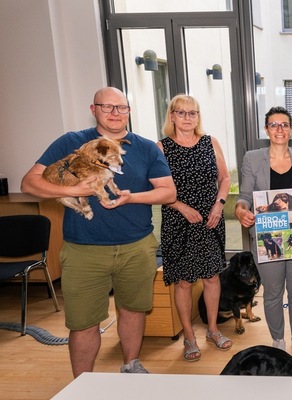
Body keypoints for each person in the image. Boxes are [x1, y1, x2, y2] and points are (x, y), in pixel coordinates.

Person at [20, 87, 176, 377]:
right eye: (107, 107)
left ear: (129, 112)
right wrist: (71, 189)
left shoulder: (145, 147)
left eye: (122, 108)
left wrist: (132, 197)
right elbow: (29, 183)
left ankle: (131, 364)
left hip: (136, 246)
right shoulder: (71, 142)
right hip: (84, 250)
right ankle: (83, 384)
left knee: (133, 310)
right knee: (83, 323)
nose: (115, 113)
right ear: (93, 110)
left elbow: (168, 193)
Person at [236, 106, 292, 361]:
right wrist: (241, 210)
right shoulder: (252, 158)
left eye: (284, 124)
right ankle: (278, 341)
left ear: (291, 129)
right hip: (266, 236)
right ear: (266, 129)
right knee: (272, 293)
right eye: (274, 125)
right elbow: (243, 197)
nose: (279, 129)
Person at [156, 94, 232, 362]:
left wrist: (219, 205)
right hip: (179, 222)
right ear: (172, 116)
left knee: (212, 277)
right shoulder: (161, 147)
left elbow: (224, 178)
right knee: (185, 282)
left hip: (211, 220)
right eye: (182, 112)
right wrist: (181, 206)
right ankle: (189, 337)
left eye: (193, 113)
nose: (188, 118)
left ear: (198, 117)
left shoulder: (210, 142)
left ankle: (212, 329)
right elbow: (157, 189)